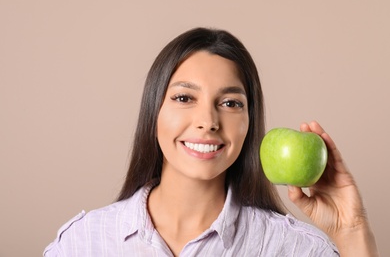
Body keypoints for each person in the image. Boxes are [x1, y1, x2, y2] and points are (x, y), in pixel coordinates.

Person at [44, 27, 378, 256]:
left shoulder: (296, 249)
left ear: (250, 122)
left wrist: (352, 231)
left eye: (231, 103)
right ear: (153, 111)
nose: (208, 121)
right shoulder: (83, 242)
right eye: (184, 98)